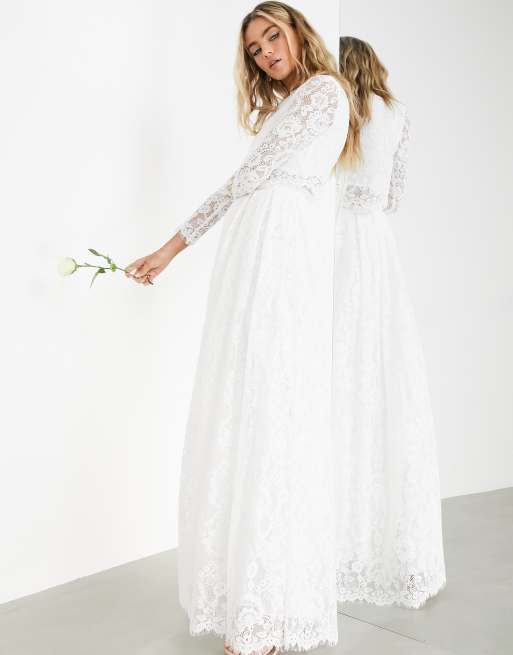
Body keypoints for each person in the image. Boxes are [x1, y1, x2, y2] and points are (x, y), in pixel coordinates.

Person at [124, 3, 358, 654]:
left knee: (271, 410)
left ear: (297, 32)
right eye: (254, 49)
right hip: (257, 254)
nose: (265, 53)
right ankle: (252, 599)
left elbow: (244, 181)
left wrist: (171, 247)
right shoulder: (290, 106)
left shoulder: (323, 91)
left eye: (272, 37)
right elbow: (248, 185)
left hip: (277, 255)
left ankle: (266, 614)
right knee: (248, 407)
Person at [333, 36, 447, 609]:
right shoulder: (397, 116)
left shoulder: (337, 112)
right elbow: (394, 198)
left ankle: (333, 537)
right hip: (377, 248)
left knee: (334, 367)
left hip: (335, 243)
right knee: (380, 368)